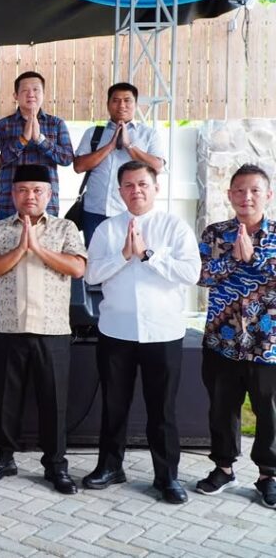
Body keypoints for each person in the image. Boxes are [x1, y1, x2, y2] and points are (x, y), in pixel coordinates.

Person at [83, 160, 199, 504]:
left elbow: (191, 273)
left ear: (156, 188)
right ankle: (110, 467)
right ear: (120, 191)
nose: (136, 191)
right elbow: (91, 275)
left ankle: (167, 477)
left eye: (143, 184)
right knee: (113, 405)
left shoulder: (174, 227)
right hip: (116, 331)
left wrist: (148, 254)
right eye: (129, 185)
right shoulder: (107, 229)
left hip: (163, 332)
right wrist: (123, 254)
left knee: (162, 409)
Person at [0, 164, 86, 495]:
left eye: (37, 190)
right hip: (9, 326)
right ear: (13, 194)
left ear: (49, 194)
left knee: (54, 401)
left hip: (52, 329)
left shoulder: (65, 228)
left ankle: (55, 464)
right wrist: (20, 250)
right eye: (23, 190)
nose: (30, 196)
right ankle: (4, 457)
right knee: (5, 400)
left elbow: (77, 267)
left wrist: (37, 249)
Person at [197, 163, 276, 509]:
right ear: (229, 194)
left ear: (268, 195)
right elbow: (201, 275)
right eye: (240, 190)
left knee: (269, 412)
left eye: (255, 190)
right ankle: (224, 468)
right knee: (221, 407)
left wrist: (254, 258)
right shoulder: (215, 234)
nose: (247, 197)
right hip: (221, 340)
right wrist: (233, 257)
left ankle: (269, 475)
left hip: (267, 343)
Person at [73, 83, 165, 243]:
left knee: (131, 254)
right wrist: (110, 146)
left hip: (130, 211)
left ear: (135, 105)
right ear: (108, 104)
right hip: (94, 210)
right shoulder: (94, 133)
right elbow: (79, 166)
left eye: (127, 100)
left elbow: (157, 167)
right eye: (116, 100)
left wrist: (129, 145)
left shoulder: (148, 134)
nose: (121, 105)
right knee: (95, 256)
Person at [0, 71, 74, 221]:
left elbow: (67, 158)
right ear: (15, 95)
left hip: (46, 205)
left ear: (43, 94)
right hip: (9, 203)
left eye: (36, 89)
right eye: (25, 90)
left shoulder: (56, 124)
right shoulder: (3, 125)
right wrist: (23, 140)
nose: (31, 94)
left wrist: (40, 140)